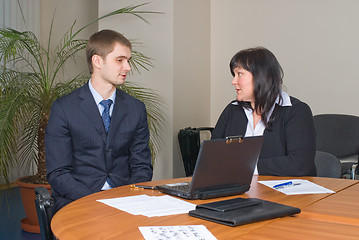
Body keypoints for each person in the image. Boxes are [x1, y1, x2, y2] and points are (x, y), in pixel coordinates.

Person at [45, 29, 153, 213]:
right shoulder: (63, 108)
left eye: (128, 60)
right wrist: (95, 201)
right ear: (97, 61)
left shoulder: (136, 108)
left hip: (125, 202)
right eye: (120, 60)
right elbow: (58, 173)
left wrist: (125, 199)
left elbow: (141, 166)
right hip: (77, 202)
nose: (127, 67)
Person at [211, 47, 316, 176]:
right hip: (238, 190)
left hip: (283, 193)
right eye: (234, 75)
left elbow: (300, 164)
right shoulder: (232, 110)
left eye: (239, 74)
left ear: (261, 76)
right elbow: (211, 157)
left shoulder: (296, 111)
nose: (234, 81)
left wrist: (245, 167)